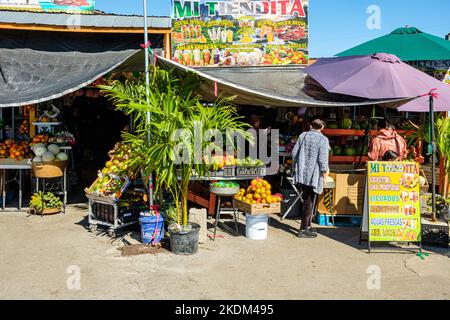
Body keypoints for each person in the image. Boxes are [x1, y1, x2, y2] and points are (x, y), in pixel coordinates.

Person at [292, 118, 330, 238]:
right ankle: (303, 229)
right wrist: (325, 173)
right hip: (314, 174)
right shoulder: (323, 139)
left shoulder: (303, 135)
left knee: (307, 199)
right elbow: (323, 159)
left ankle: (307, 225)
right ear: (322, 127)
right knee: (309, 200)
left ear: (311, 126)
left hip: (302, 173)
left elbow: (294, 153)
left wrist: (296, 165)